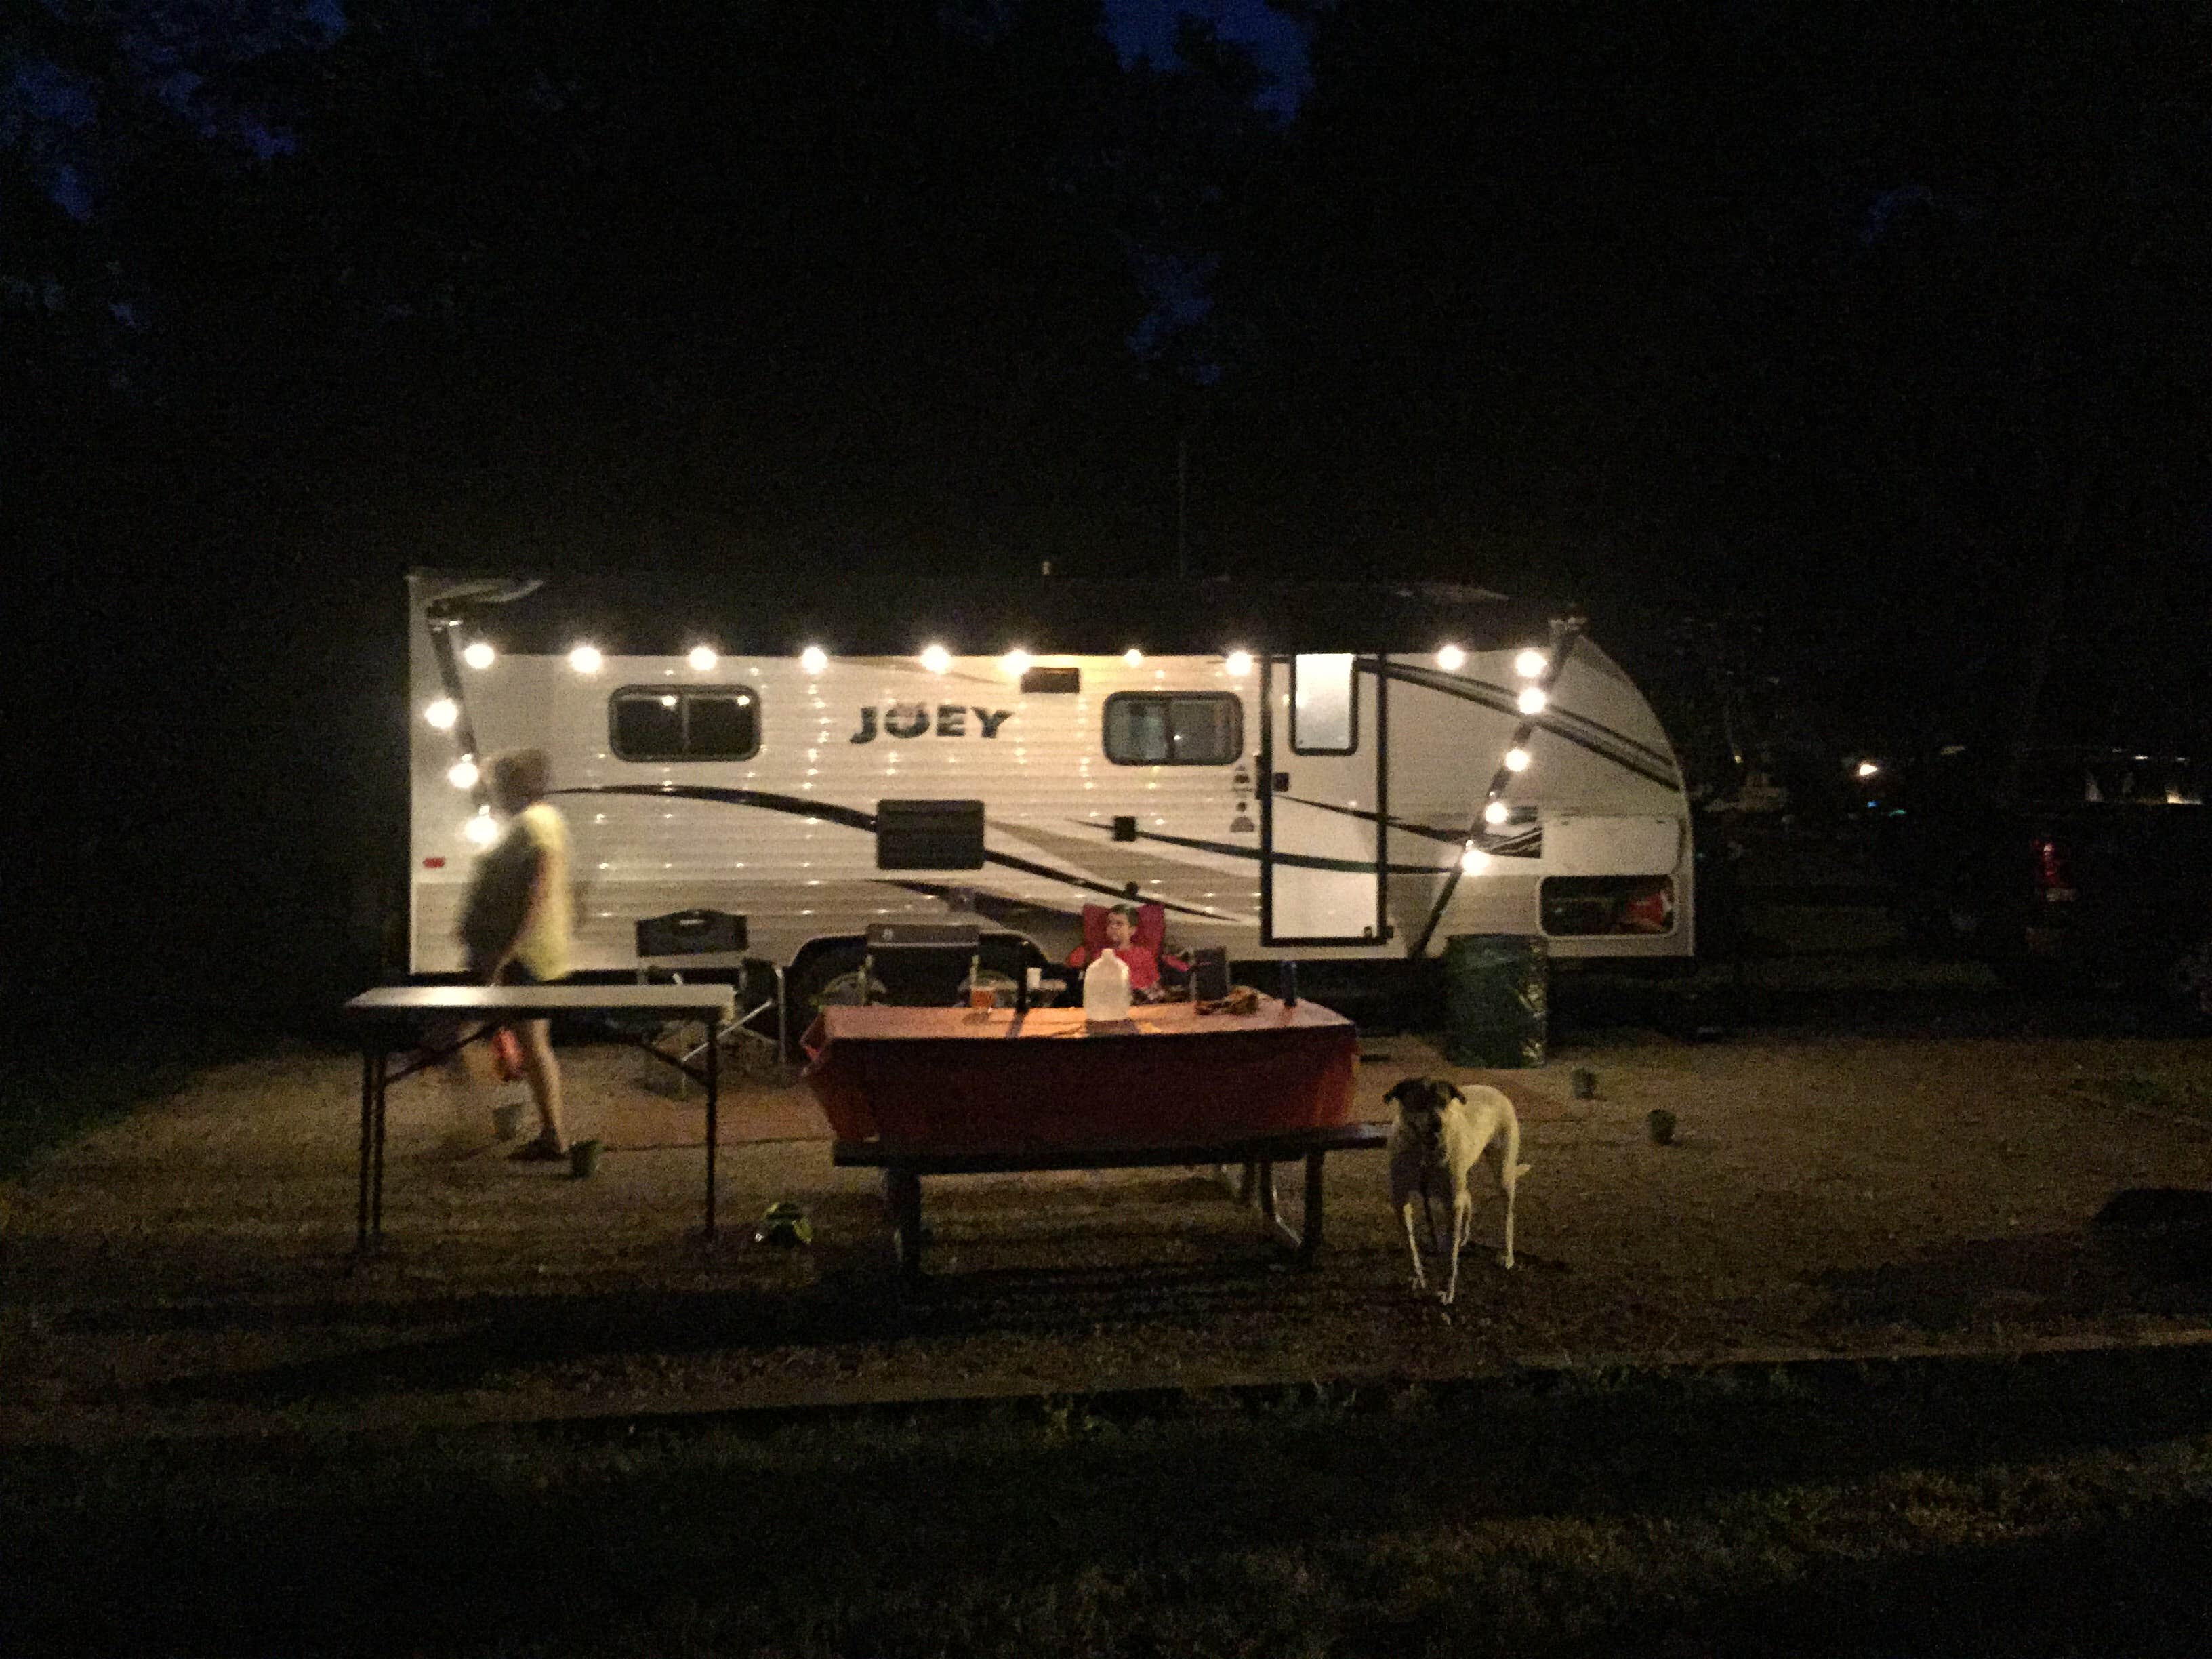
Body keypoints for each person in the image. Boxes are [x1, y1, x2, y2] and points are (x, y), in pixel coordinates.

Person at [459, 748, 573, 1160]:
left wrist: (506, 950)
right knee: (529, 1043)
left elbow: (536, 889)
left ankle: (550, 1135)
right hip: (533, 951)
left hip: (526, 954)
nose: (495, 792)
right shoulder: (544, 819)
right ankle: (546, 1131)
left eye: (500, 783)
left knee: (526, 1042)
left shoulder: (534, 823)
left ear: (517, 784)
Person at [1065, 904, 1161, 998]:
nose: (1113, 927)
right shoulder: (1101, 955)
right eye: (1110, 923)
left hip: (1140, 998)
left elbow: (1154, 983)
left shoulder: (1143, 954)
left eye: (1119, 924)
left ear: (1132, 930)